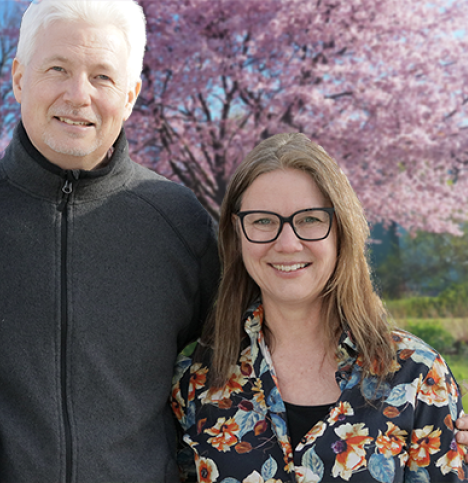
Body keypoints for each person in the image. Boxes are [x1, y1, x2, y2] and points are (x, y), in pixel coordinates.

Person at [0, 0, 220, 481]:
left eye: (103, 77)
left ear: (131, 95)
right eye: (58, 68)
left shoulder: (180, 223)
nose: (79, 95)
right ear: (19, 78)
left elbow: (245, 358)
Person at [172, 133, 468, 482]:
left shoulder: (417, 378)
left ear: (341, 230)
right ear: (238, 233)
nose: (286, 243)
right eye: (263, 221)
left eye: (310, 219)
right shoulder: (198, 381)